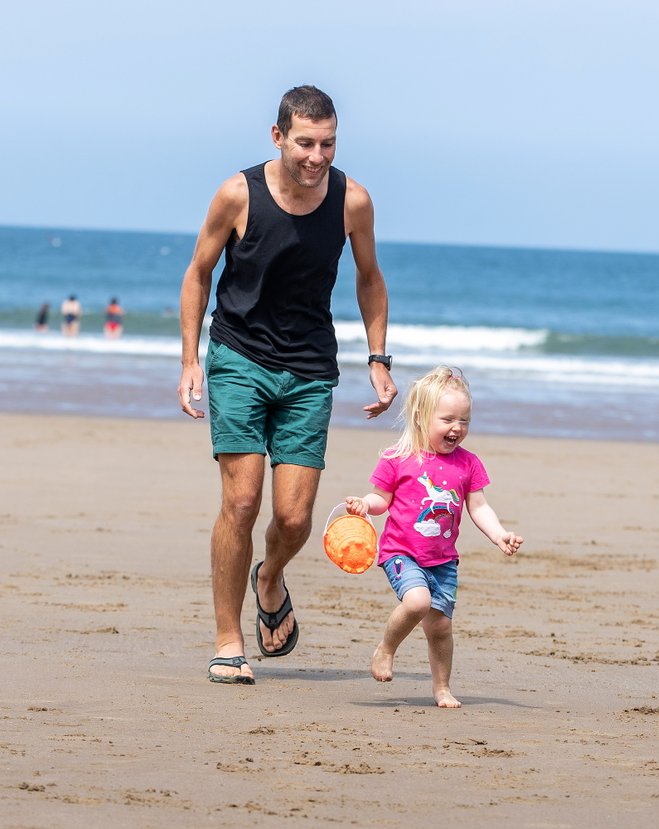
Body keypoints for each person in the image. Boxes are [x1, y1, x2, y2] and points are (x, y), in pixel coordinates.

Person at [178, 85, 398, 685]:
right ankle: (228, 640)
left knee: (295, 519)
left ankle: (270, 575)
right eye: (305, 142)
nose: (316, 156)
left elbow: (370, 279)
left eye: (328, 143)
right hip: (239, 357)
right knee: (242, 502)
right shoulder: (237, 194)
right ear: (278, 137)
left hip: (308, 369)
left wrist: (378, 357)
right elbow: (198, 275)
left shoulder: (352, 201)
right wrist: (191, 359)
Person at [344, 366, 523, 708]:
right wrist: (364, 504)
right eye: (448, 419)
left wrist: (499, 535)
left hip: (443, 561)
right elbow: (381, 499)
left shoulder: (468, 464)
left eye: (464, 420)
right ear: (420, 416)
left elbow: (479, 507)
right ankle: (386, 648)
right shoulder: (397, 458)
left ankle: (441, 688)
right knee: (417, 602)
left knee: (440, 628)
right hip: (401, 553)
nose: (457, 428)